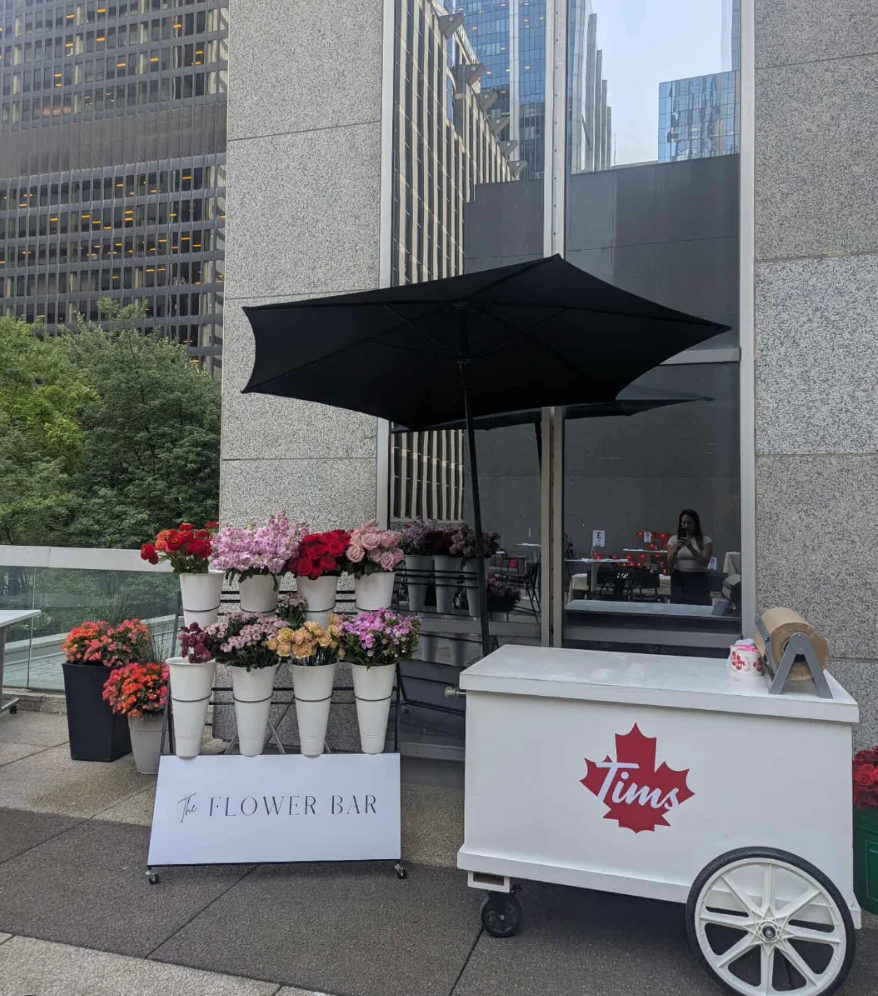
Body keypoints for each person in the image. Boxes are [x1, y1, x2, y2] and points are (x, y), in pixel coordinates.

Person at [667, 509, 713, 606]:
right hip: (679, 577)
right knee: (678, 606)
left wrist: (691, 548)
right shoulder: (673, 539)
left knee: (699, 606)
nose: (686, 526)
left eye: (689, 523)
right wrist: (676, 549)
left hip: (698, 578)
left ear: (696, 524)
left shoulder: (705, 540)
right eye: (684, 523)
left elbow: (705, 562)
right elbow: (670, 562)